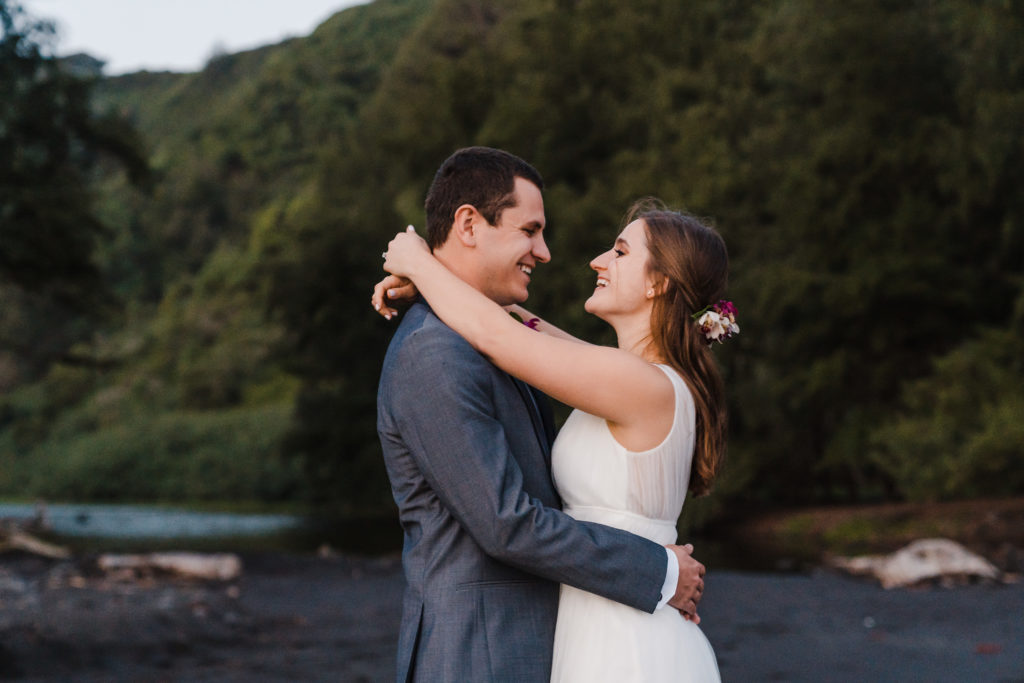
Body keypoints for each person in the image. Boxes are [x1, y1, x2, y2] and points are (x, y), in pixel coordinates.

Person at [374, 147, 709, 682]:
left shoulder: (628, 380)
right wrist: (659, 570)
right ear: (468, 224)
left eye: (620, 252)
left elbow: (504, 333)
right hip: (480, 654)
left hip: (596, 638)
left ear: (658, 283)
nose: (550, 253)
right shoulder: (434, 351)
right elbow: (506, 521)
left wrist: (420, 263)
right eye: (530, 229)